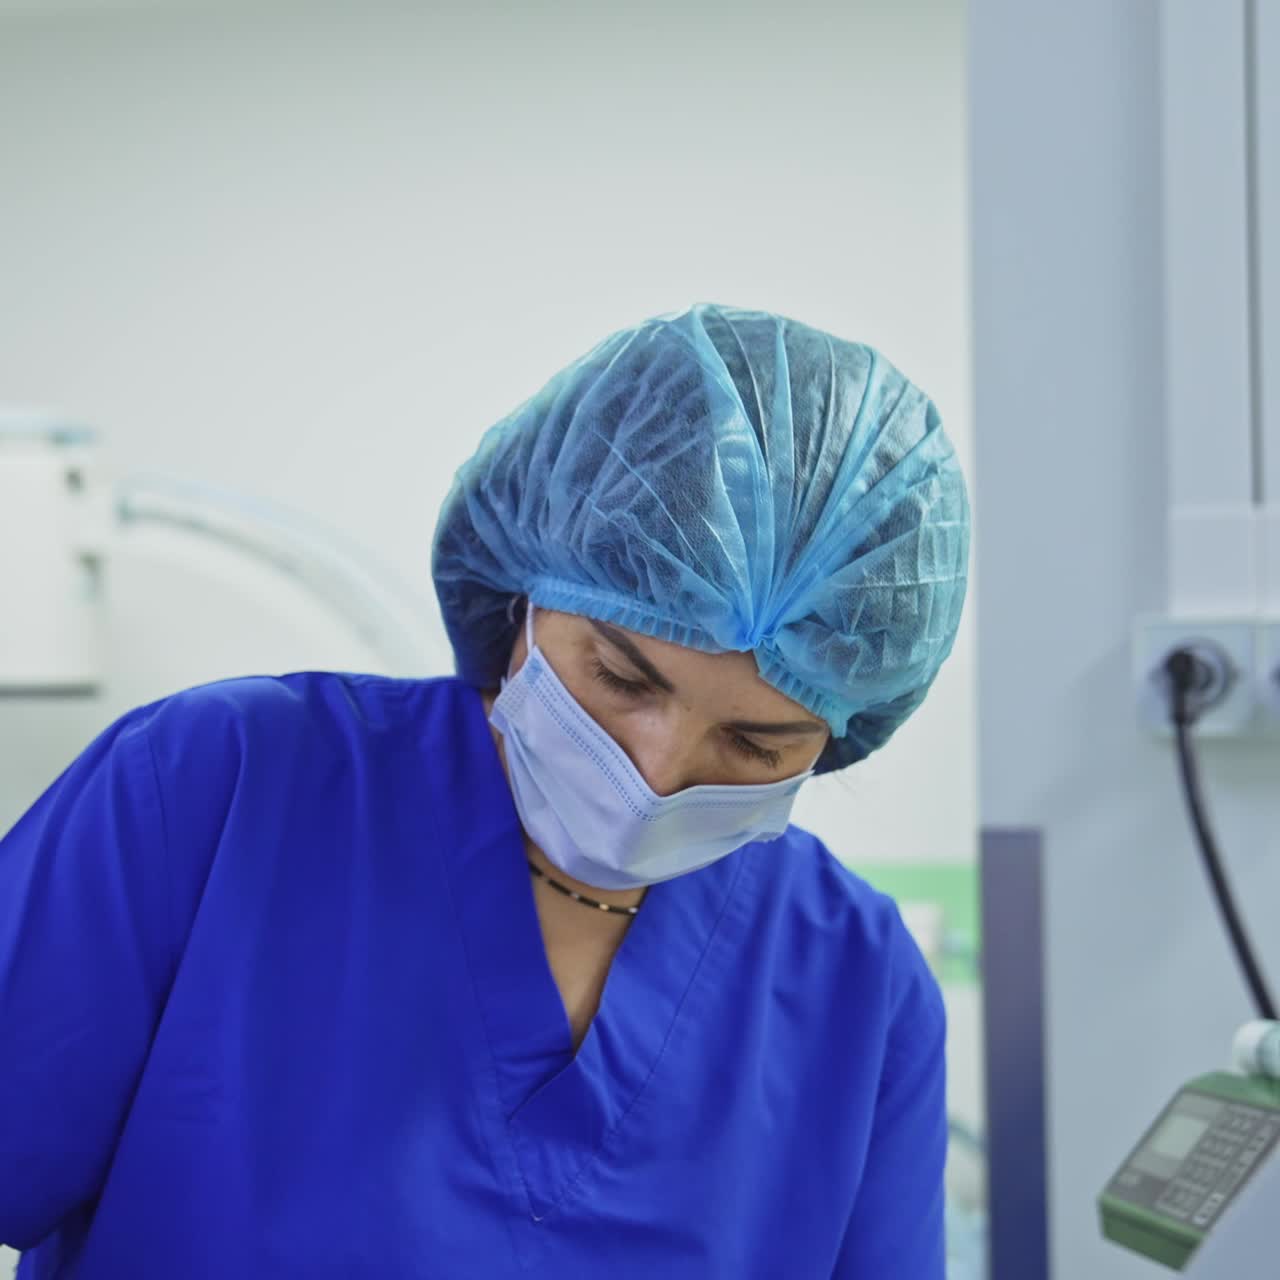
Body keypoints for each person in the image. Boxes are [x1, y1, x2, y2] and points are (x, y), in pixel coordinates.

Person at [0, 303, 970, 1279]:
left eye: (755, 742)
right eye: (621, 677)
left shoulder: (854, 980)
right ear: (526, 593)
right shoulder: (214, 791)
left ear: (842, 732)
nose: (658, 771)